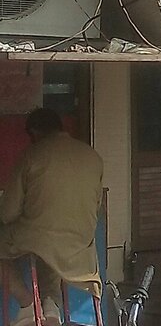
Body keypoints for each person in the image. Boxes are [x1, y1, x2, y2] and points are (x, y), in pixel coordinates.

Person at [0, 108, 104, 326]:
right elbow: (96, 205)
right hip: (82, 248)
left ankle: (27, 303)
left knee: (36, 243)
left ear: (34, 133)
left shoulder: (33, 155)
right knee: (49, 248)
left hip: (40, 241)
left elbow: (8, 213)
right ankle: (51, 307)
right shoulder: (92, 156)